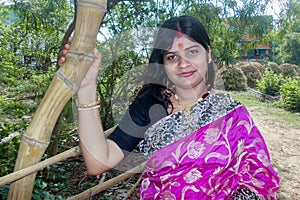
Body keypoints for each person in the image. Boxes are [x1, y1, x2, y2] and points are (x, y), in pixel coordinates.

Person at [60, 15, 280, 199]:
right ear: (163, 62)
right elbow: (99, 162)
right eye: (173, 56)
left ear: (209, 54)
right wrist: (87, 87)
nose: (184, 64)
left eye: (192, 52)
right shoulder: (149, 107)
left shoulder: (232, 112)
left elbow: (257, 174)